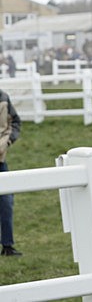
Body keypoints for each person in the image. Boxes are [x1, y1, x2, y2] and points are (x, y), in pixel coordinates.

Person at [0, 88, 22, 256]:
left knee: (6, 203)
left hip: (1, 161)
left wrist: (7, 142)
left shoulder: (3, 98)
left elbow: (15, 122)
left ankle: (7, 246)